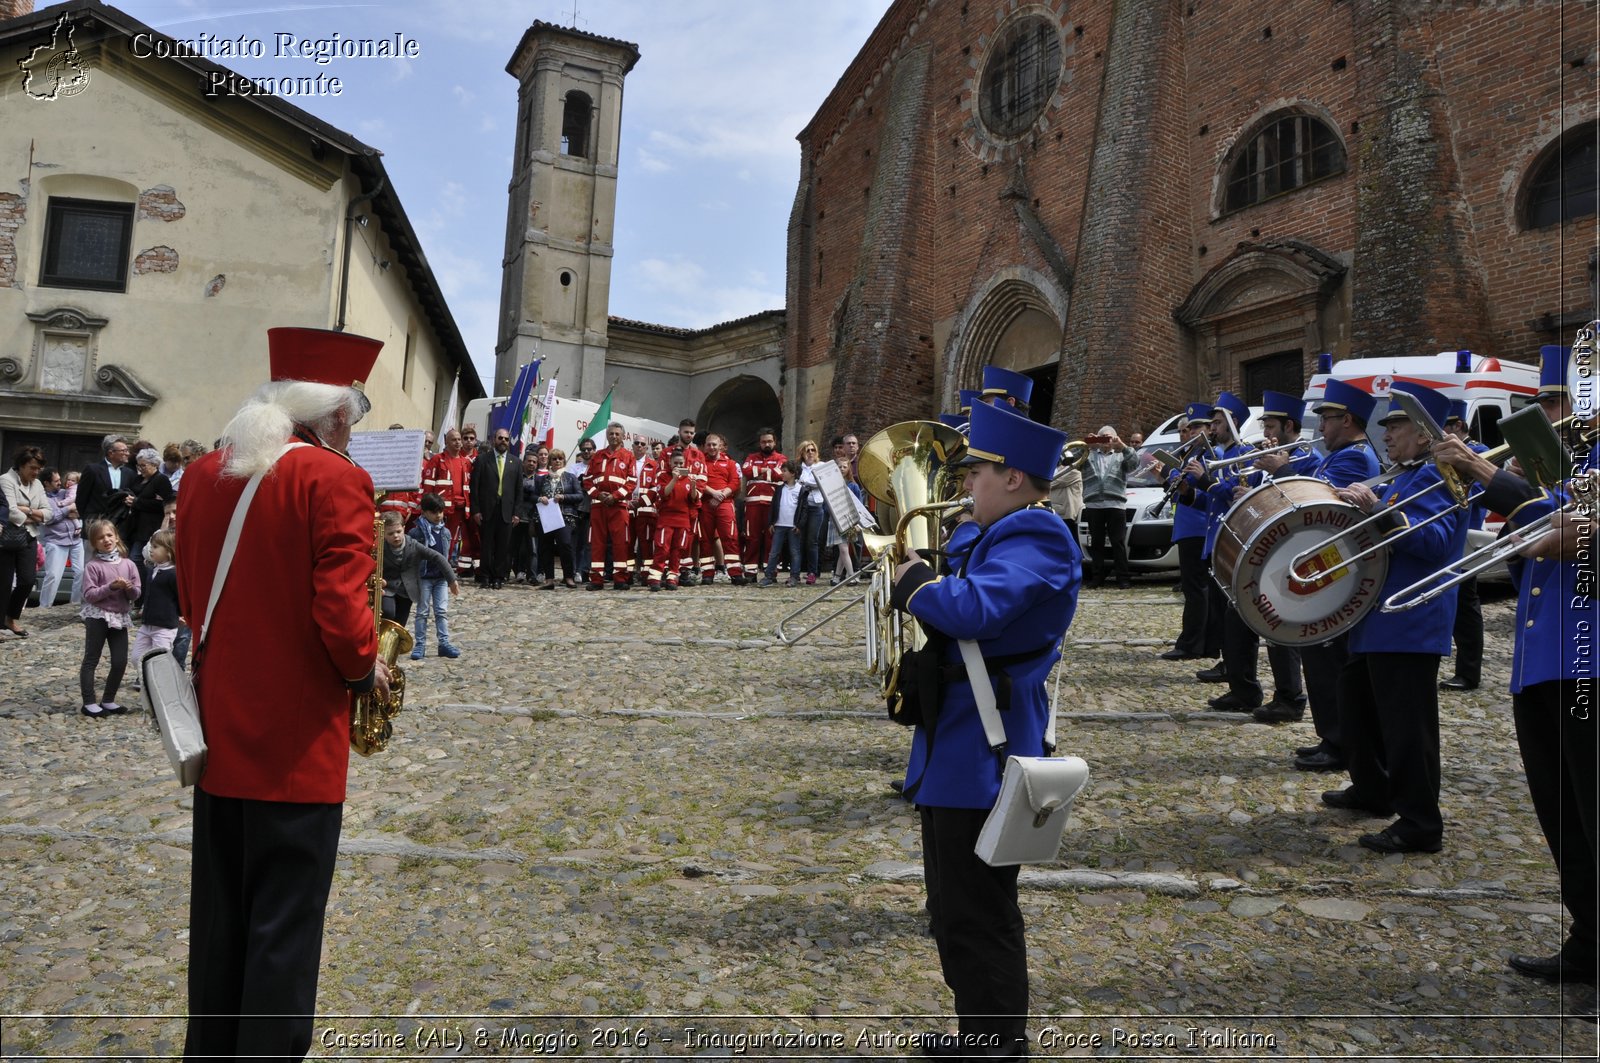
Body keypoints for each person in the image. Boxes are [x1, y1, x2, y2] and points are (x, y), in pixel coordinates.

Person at [176, 326, 389, 1060]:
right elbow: (341, 615)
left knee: (221, 927)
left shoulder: (204, 474)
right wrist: (369, 669)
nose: (353, 430)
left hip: (219, 739)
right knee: (284, 935)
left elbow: (194, 594)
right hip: (296, 750)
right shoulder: (335, 479)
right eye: (353, 414)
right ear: (332, 414)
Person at [889, 399, 1080, 1058]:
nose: (966, 482)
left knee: (980, 912)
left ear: (1016, 478)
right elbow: (972, 572)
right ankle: (980, 1033)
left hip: (985, 750)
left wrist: (913, 580)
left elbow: (975, 608)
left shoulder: (1042, 535)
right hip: (957, 744)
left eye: (978, 472)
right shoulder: (1000, 532)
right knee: (950, 908)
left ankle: (999, 1045)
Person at [1434, 343, 1598, 1018]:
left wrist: (1585, 537)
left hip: (1589, 658)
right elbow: (1535, 518)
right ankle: (1590, 938)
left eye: (1566, 400)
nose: (1559, 414)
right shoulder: (1583, 464)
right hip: (1545, 658)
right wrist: (1479, 472)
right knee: (1566, 816)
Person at [1323, 381, 1465, 853]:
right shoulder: (1402, 475)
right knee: (1357, 709)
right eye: (1385, 426)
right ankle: (1374, 790)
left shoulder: (1438, 474)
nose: (1386, 435)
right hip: (1375, 616)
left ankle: (1420, 822)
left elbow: (1436, 542)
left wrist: (1378, 510)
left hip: (1410, 617)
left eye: (1397, 425)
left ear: (1425, 434)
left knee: (1407, 728)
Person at [1289, 379, 1382, 773]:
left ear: (1346, 419)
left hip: (1338, 569)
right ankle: (1332, 735)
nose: (1320, 428)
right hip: (1327, 565)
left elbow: (1322, 503)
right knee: (1321, 659)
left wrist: (1282, 471)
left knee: (1329, 660)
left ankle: (1340, 740)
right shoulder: (1338, 454)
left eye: (1326, 420)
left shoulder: (1357, 458)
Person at [1211, 390, 1312, 716]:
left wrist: (1281, 469)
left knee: (1279, 625)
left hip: (1288, 555)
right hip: (1258, 549)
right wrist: (1247, 492)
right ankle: (1243, 690)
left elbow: (1308, 496)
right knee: (1236, 620)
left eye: (1271, 427)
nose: (1266, 434)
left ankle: (1290, 697)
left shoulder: (1306, 458)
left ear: (1289, 426)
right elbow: (1256, 492)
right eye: (1265, 427)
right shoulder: (1265, 460)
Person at [1160, 403, 1215, 661]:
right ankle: (1200, 642)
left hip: (1198, 527)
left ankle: (1191, 644)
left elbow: (1209, 491)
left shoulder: (1208, 456)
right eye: (1189, 428)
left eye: (1196, 427)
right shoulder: (1190, 456)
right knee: (1196, 589)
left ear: (1208, 429)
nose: (1190, 432)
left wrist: (1177, 479)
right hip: (1188, 526)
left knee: (1196, 589)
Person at [1438, 399, 1487, 692]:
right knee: (1456, 603)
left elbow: (1480, 492)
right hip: (1449, 536)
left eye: (1445, 426)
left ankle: (1469, 672)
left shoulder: (1478, 453)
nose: (1440, 433)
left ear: (1459, 426)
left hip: (1468, 537)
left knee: (1466, 605)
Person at [77, 517, 139, 717]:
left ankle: (109, 699)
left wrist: (129, 589)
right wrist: (110, 587)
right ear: (94, 543)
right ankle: (88, 702)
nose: (106, 540)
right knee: (91, 659)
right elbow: (90, 595)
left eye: (109, 535)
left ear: (117, 537)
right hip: (98, 617)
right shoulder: (93, 566)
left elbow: (137, 593)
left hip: (119, 616)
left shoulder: (129, 564)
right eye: (100, 538)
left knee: (120, 661)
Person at [1080, 424, 1139, 588]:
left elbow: (1135, 463)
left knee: (1118, 542)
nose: (1106, 441)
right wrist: (1086, 445)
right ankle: (1097, 578)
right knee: (1096, 543)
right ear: (1098, 440)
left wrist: (1124, 446)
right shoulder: (1088, 455)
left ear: (1114, 440)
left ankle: (1123, 578)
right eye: (1102, 437)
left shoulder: (1121, 457)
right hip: (1093, 504)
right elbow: (1070, 460)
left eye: (1109, 437)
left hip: (1116, 504)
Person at [0, 445, 49, 635]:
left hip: (29, 536)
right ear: (21, 465)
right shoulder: (6, 480)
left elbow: (49, 513)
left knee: (28, 580)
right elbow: (11, 511)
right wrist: (35, 515)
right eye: (32, 468)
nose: (36, 472)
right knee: (3, 584)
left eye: (38, 468)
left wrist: (27, 510)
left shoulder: (37, 484)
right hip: (8, 537)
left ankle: (10, 617)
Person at [407, 493, 463, 657]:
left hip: (440, 579)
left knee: (441, 611)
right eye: (434, 512)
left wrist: (450, 579)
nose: (438, 516)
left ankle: (444, 643)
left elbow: (445, 557)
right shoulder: (415, 533)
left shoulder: (445, 532)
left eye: (440, 512)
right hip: (423, 578)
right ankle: (420, 645)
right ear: (424, 512)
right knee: (422, 611)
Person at [584, 423, 637, 590]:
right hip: (599, 506)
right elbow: (587, 480)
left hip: (619, 506)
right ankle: (596, 579)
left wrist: (615, 496)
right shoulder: (597, 456)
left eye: (617, 434)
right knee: (597, 543)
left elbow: (632, 482)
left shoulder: (629, 456)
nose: (614, 436)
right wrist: (598, 494)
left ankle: (620, 578)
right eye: (611, 433)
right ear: (607, 435)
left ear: (623, 436)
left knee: (620, 543)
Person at [470, 427, 522, 590]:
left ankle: (498, 577)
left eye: (506, 439)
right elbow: (475, 487)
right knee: (487, 545)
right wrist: (476, 510)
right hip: (487, 509)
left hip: (507, 511)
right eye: (500, 438)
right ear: (494, 439)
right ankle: (485, 576)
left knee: (503, 546)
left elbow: (518, 490)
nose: (503, 442)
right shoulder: (482, 460)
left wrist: (517, 513)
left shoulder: (516, 462)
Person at [422, 427, 473, 578]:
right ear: (446, 441)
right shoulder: (438, 459)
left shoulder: (465, 462)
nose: (458, 442)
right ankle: (434, 568)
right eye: (454, 439)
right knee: (436, 539)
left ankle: (444, 568)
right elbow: (429, 484)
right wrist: (428, 506)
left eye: (459, 439)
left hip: (459, 508)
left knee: (451, 540)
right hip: (441, 508)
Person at [648, 450, 700, 591]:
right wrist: (674, 479)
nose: (678, 465)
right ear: (670, 463)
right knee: (662, 548)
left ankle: (672, 577)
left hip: (683, 519)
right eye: (675, 463)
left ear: (685, 464)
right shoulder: (663, 476)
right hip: (667, 518)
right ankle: (655, 578)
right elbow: (664, 493)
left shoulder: (689, 479)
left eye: (680, 463)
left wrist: (694, 487)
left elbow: (693, 499)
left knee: (678, 550)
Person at [698, 433, 744, 584]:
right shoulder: (700, 462)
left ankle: (735, 573)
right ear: (705, 446)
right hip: (706, 504)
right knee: (705, 539)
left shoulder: (730, 463)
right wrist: (713, 493)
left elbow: (735, 482)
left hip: (724, 504)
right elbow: (698, 481)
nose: (711, 447)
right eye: (709, 444)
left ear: (720, 446)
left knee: (730, 538)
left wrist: (722, 495)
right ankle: (707, 574)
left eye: (714, 445)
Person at [741, 428, 786, 580]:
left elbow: (780, 474)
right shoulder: (751, 457)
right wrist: (768, 471)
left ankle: (770, 571)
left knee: (771, 538)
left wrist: (759, 471)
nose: (767, 444)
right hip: (753, 504)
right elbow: (745, 470)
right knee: (751, 538)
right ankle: (750, 572)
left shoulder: (781, 458)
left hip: (772, 504)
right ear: (759, 443)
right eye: (763, 442)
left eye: (769, 441)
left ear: (775, 442)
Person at [130, 528, 179, 666]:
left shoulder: (174, 573)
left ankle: (159, 683)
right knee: (137, 658)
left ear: (169, 551)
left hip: (164, 626)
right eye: (152, 546)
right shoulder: (152, 570)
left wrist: (181, 614)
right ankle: (146, 679)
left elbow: (180, 596)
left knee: (160, 660)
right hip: (147, 623)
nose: (151, 549)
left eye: (156, 547)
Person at [37, 466, 83, 607]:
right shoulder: (41, 499)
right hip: (56, 541)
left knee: (81, 572)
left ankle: (75, 604)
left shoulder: (66, 492)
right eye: (56, 481)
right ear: (46, 483)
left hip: (76, 539)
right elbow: (49, 518)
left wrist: (65, 511)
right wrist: (68, 509)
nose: (60, 483)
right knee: (53, 576)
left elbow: (80, 508)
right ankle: (44, 607)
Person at [534, 449, 578, 588]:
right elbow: (532, 496)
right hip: (546, 517)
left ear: (564, 461)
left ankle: (569, 576)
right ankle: (549, 579)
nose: (557, 461)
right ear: (550, 462)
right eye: (554, 459)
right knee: (546, 547)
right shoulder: (541, 479)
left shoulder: (570, 477)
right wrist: (540, 498)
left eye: (560, 458)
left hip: (565, 516)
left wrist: (564, 497)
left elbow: (579, 496)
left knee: (565, 545)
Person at [758, 460, 804, 586]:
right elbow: (773, 506)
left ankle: (794, 576)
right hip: (779, 524)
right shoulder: (779, 488)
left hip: (793, 526)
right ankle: (769, 575)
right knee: (774, 551)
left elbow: (803, 509)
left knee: (794, 551)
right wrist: (771, 522)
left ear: (793, 473)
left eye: (784, 471)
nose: (782, 474)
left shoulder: (801, 490)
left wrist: (799, 525)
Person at [76, 435, 135, 531]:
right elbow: (81, 498)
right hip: (94, 524)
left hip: (119, 526)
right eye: (124, 451)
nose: (127, 454)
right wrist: (88, 519)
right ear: (111, 453)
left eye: (127, 450)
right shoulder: (92, 470)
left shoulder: (130, 473)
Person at [794, 440, 827, 583]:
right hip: (801, 507)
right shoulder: (797, 468)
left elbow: (822, 483)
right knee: (798, 540)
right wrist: (810, 484)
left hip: (816, 506)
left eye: (813, 450)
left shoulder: (821, 466)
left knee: (813, 541)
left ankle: (812, 572)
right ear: (802, 452)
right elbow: (796, 484)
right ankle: (796, 571)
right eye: (807, 450)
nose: (810, 453)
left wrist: (806, 484)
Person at [629, 439, 659, 585]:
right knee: (627, 543)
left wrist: (640, 502)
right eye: (637, 443)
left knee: (646, 544)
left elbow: (655, 488)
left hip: (645, 509)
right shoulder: (627, 461)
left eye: (642, 444)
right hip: (627, 508)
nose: (639, 446)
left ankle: (646, 574)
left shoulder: (653, 465)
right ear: (632, 446)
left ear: (646, 447)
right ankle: (627, 574)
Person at [569, 436, 598, 578]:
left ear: (594, 450)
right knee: (575, 542)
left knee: (590, 543)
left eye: (589, 449)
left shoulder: (599, 465)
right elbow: (571, 486)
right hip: (578, 509)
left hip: (596, 508)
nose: (587, 451)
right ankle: (574, 570)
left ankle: (585, 570)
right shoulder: (575, 467)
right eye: (584, 449)